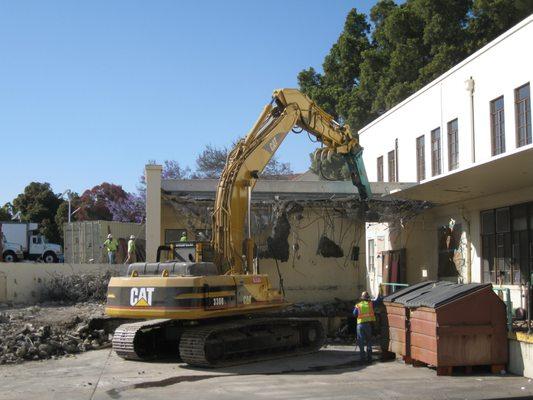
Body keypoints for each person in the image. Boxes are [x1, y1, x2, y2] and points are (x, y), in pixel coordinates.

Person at [353, 291, 381, 363]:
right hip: (368, 325)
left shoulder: (358, 305)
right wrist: (379, 293)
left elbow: (354, 314)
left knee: (361, 341)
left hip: (360, 325)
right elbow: (378, 301)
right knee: (369, 341)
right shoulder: (371, 304)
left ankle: (362, 358)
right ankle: (369, 357)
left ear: (362, 298)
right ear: (368, 298)